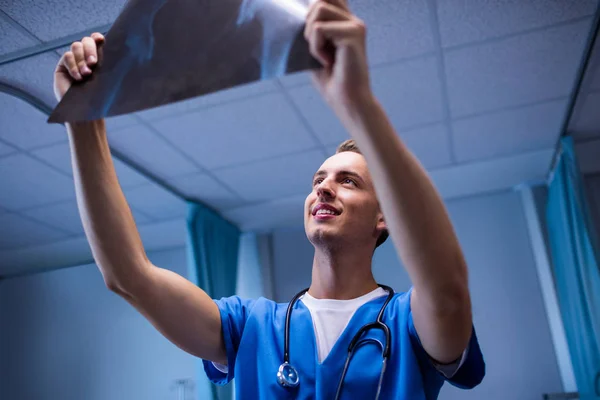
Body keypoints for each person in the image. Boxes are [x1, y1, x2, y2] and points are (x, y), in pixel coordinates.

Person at [54, 0, 485, 398]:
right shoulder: (250, 326)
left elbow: (446, 290)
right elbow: (129, 277)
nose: (323, 187)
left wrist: (358, 105)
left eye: (349, 181)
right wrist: (84, 121)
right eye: (319, 178)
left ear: (384, 219)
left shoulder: (406, 324)